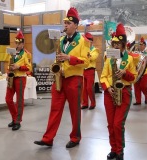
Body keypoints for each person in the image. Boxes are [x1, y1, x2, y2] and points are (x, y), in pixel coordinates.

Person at [34, 7, 90, 148]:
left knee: (74, 110)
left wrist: (70, 57)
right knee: (55, 109)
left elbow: (87, 62)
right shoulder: (61, 40)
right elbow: (57, 58)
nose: (65, 25)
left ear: (76, 25)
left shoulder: (83, 41)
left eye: (69, 23)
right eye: (65, 23)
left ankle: (75, 137)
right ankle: (48, 138)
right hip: (59, 78)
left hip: (74, 79)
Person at [100, 23, 137, 160]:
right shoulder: (108, 58)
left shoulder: (131, 59)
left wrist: (125, 73)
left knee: (117, 124)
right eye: (114, 43)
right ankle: (113, 149)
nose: (115, 46)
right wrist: (108, 88)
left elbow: (133, 77)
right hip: (110, 93)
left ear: (123, 44)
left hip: (124, 93)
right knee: (110, 124)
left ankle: (120, 150)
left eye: (118, 44)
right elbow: (103, 76)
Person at [5, 30, 32, 131]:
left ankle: (18, 121)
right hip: (12, 77)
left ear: (23, 43)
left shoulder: (26, 54)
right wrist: (8, 72)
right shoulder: (11, 52)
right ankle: (14, 117)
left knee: (19, 100)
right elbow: (8, 65)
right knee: (8, 99)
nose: (17, 45)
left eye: (19, 43)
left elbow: (29, 68)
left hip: (20, 78)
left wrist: (18, 67)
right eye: (16, 43)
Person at [81, 32, 99, 110]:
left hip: (90, 70)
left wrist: (85, 52)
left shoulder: (95, 50)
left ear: (91, 41)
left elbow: (92, 58)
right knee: (84, 89)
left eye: (87, 41)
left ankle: (93, 103)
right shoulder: (84, 49)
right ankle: (85, 103)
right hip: (83, 70)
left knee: (89, 88)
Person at [133, 37, 147, 105]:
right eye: (139, 45)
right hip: (136, 72)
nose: (140, 46)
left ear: (144, 46)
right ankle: (138, 100)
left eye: (142, 45)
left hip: (144, 73)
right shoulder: (136, 53)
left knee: (144, 86)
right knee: (136, 87)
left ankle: (146, 96)